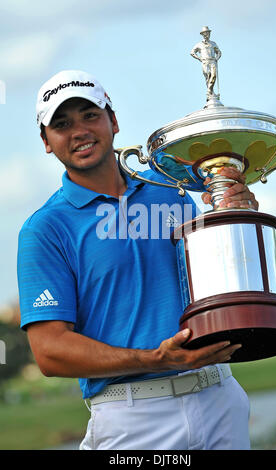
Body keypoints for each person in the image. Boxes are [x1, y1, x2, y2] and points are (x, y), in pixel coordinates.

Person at [17, 70, 258, 451]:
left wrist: (236, 216)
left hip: (218, 395)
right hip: (134, 417)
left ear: (113, 120)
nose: (79, 130)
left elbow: (215, 275)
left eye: (89, 115)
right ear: (46, 142)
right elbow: (50, 352)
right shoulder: (45, 229)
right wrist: (156, 359)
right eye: (61, 124)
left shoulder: (171, 189)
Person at [190, 26, 222, 102]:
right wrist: (199, 58)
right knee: (208, 76)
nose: (207, 34)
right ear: (203, 34)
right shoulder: (199, 44)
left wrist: (216, 58)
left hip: (212, 61)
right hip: (205, 62)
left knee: (213, 75)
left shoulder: (213, 43)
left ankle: (208, 91)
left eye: (208, 33)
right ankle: (211, 93)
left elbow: (219, 52)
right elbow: (192, 52)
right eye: (205, 33)